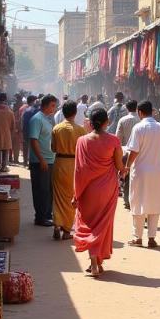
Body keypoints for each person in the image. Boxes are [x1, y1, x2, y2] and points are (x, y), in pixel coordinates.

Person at [73, 108, 125, 277]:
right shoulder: (114, 141)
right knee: (103, 224)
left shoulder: (82, 141)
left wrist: (76, 194)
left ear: (90, 122)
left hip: (88, 189)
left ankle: (95, 262)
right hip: (107, 189)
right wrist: (125, 169)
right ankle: (96, 262)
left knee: (89, 223)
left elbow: (79, 170)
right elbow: (118, 166)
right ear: (106, 122)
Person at [126, 100, 160, 248]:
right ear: (152, 111)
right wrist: (159, 162)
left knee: (137, 203)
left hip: (140, 171)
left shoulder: (138, 128)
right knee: (154, 203)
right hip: (157, 171)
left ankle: (137, 237)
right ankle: (152, 238)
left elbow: (134, 150)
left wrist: (127, 166)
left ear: (139, 112)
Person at [51, 100, 86, 241]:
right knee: (71, 196)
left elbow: (53, 148)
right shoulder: (80, 130)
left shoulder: (56, 128)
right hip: (74, 165)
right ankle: (66, 229)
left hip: (59, 163)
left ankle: (56, 225)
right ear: (75, 113)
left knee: (58, 196)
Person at [28, 94, 57, 227]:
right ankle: (40, 217)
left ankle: (46, 215)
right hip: (40, 162)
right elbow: (33, 140)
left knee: (48, 190)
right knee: (41, 190)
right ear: (45, 105)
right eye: (52, 105)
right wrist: (41, 159)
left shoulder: (47, 119)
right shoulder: (37, 119)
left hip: (50, 160)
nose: (54, 108)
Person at [116, 100, 137, 209]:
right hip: (139, 152)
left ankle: (127, 200)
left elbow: (118, 138)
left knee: (126, 175)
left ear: (127, 108)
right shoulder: (140, 120)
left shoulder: (122, 120)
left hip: (126, 151)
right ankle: (135, 200)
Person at [0, 93, 14, 173]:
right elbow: (13, 126)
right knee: (5, 151)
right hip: (7, 135)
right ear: (6, 99)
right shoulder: (10, 112)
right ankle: (4, 166)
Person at [21, 95, 38, 167]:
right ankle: (31, 163)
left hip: (26, 131)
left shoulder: (25, 110)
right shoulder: (36, 110)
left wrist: (22, 131)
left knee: (26, 147)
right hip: (34, 132)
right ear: (33, 101)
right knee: (33, 147)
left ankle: (25, 162)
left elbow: (22, 121)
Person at [11, 93, 23, 164]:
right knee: (16, 146)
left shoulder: (13, 109)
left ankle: (12, 159)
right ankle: (15, 159)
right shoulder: (21, 107)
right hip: (17, 129)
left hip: (14, 129)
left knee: (13, 145)